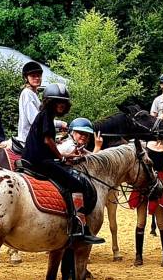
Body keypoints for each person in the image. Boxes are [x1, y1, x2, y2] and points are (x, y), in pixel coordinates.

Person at [21, 83, 105, 244]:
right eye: (57, 101)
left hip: (36, 158)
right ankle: (79, 226)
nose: (61, 105)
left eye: (63, 102)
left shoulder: (45, 115)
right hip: (40, 161)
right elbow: (48, 141)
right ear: (50, 102)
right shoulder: (46, 115)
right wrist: (61, 157)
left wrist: (65, 155)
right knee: (77, 185)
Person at [130, 136, 163, 267]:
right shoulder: (146, 144)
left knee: (161, 221)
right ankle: (138, 255)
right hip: (144, 181)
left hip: (158, 183)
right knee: (141, 221)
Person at [15, 60, 44, 149]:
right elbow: (35, 120)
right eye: (33, 76)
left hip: (35, 138)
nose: (37, 78)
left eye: (39, 75)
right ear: (26, 78)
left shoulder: (33, 93)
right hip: (29, 141)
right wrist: (59, 124)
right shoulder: (27, 93)